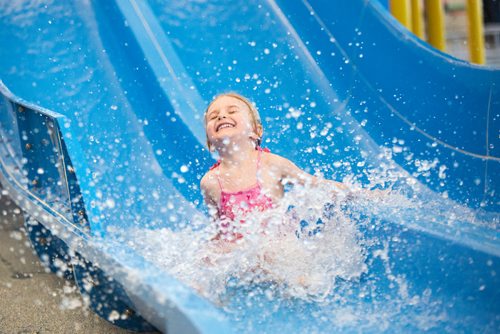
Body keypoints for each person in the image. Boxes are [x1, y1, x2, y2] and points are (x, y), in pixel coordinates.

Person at [200, 92, 349, 243]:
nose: (221, 116)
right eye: (213, 117)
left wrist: (361, 193)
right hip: (247, 262)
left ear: (256, 131)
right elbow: (219, 233)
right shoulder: (210, 182)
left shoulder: (272, 164)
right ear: (209, 142)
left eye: (232, 111)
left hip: (282, 254)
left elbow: (318, 185)